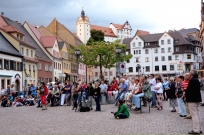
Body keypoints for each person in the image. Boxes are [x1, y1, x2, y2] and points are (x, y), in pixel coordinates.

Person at [186, 70, 202, 134]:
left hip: (192, 100)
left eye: (189, 74)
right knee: (197, 114)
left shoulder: (192, 80)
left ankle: (196, 130)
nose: (188, 75)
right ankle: (199, 128)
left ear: (191, 74)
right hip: (196, 99)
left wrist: (186, 94)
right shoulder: (196, 80)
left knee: (194, 115)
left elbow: (190, 90)